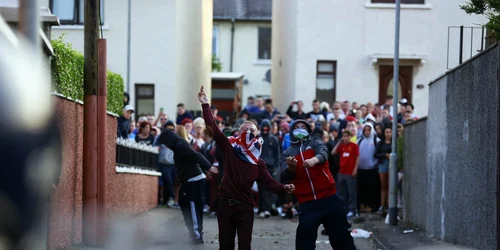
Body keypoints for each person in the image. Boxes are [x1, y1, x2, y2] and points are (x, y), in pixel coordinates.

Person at [198, 86, 295, 250]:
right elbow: (213, 129)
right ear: (238, 133)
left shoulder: (258, 161)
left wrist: (285, 187)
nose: (248, 131)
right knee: (226, 246)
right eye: (245, 129)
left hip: (245, 207)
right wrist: (205, 105)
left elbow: (270, 183)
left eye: (252, 130)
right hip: (225, 205)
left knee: (245, 246)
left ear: (257, 135)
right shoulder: (230, 147)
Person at [281, 119, 356, 250]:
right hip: (307, 202)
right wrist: (291, 168)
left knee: (341, 236)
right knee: (304, 240)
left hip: (328, 198)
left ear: (308, 129)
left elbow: (323, 153)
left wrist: (314, 160)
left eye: (303, 126)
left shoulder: (315, 140)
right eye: (296, 127)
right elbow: (284, 175)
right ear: (292, 131)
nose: (300, 129)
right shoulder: (287, 153)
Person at [157, 128, 219, 244]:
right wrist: (205, 171)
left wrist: (208, 167)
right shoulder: (178, 146)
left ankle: (196, 236)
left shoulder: (180, 145)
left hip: (193, 181)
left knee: (192, 207)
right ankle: (194, 233)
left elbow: (196, 156)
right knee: (184, 204)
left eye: (166, 143)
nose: (166, 146)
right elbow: (191, 160)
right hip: (190, 179)